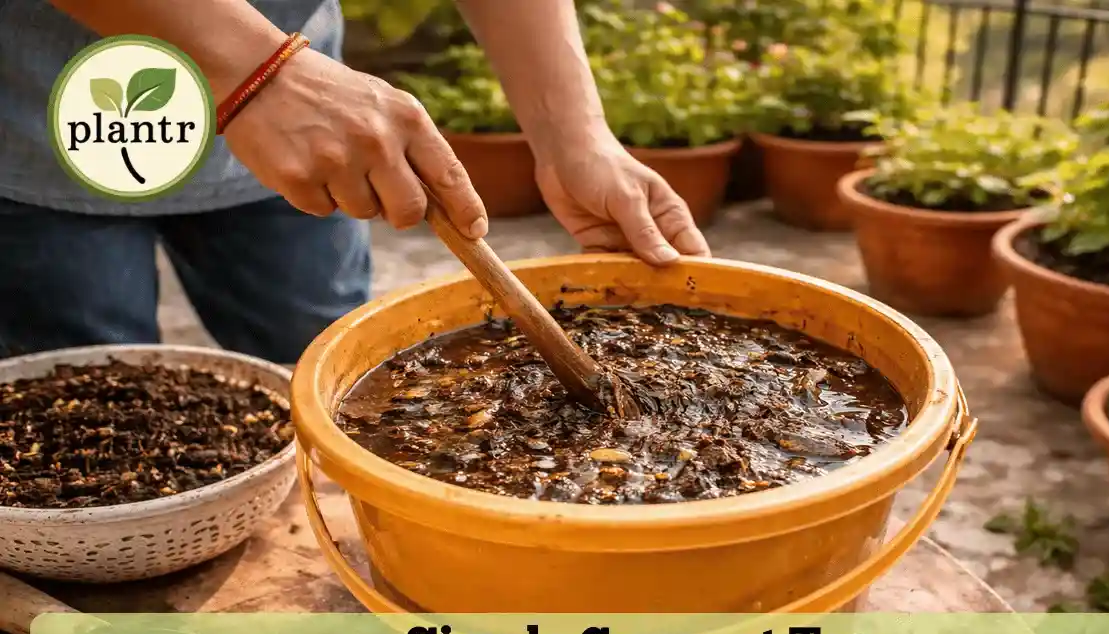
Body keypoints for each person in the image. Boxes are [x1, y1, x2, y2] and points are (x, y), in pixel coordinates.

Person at [0, 0, 711, 364]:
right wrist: (257, 70)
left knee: (325, 350)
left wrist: (573, 136)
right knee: (86, 405)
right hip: (44, 121)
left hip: (309, 128)